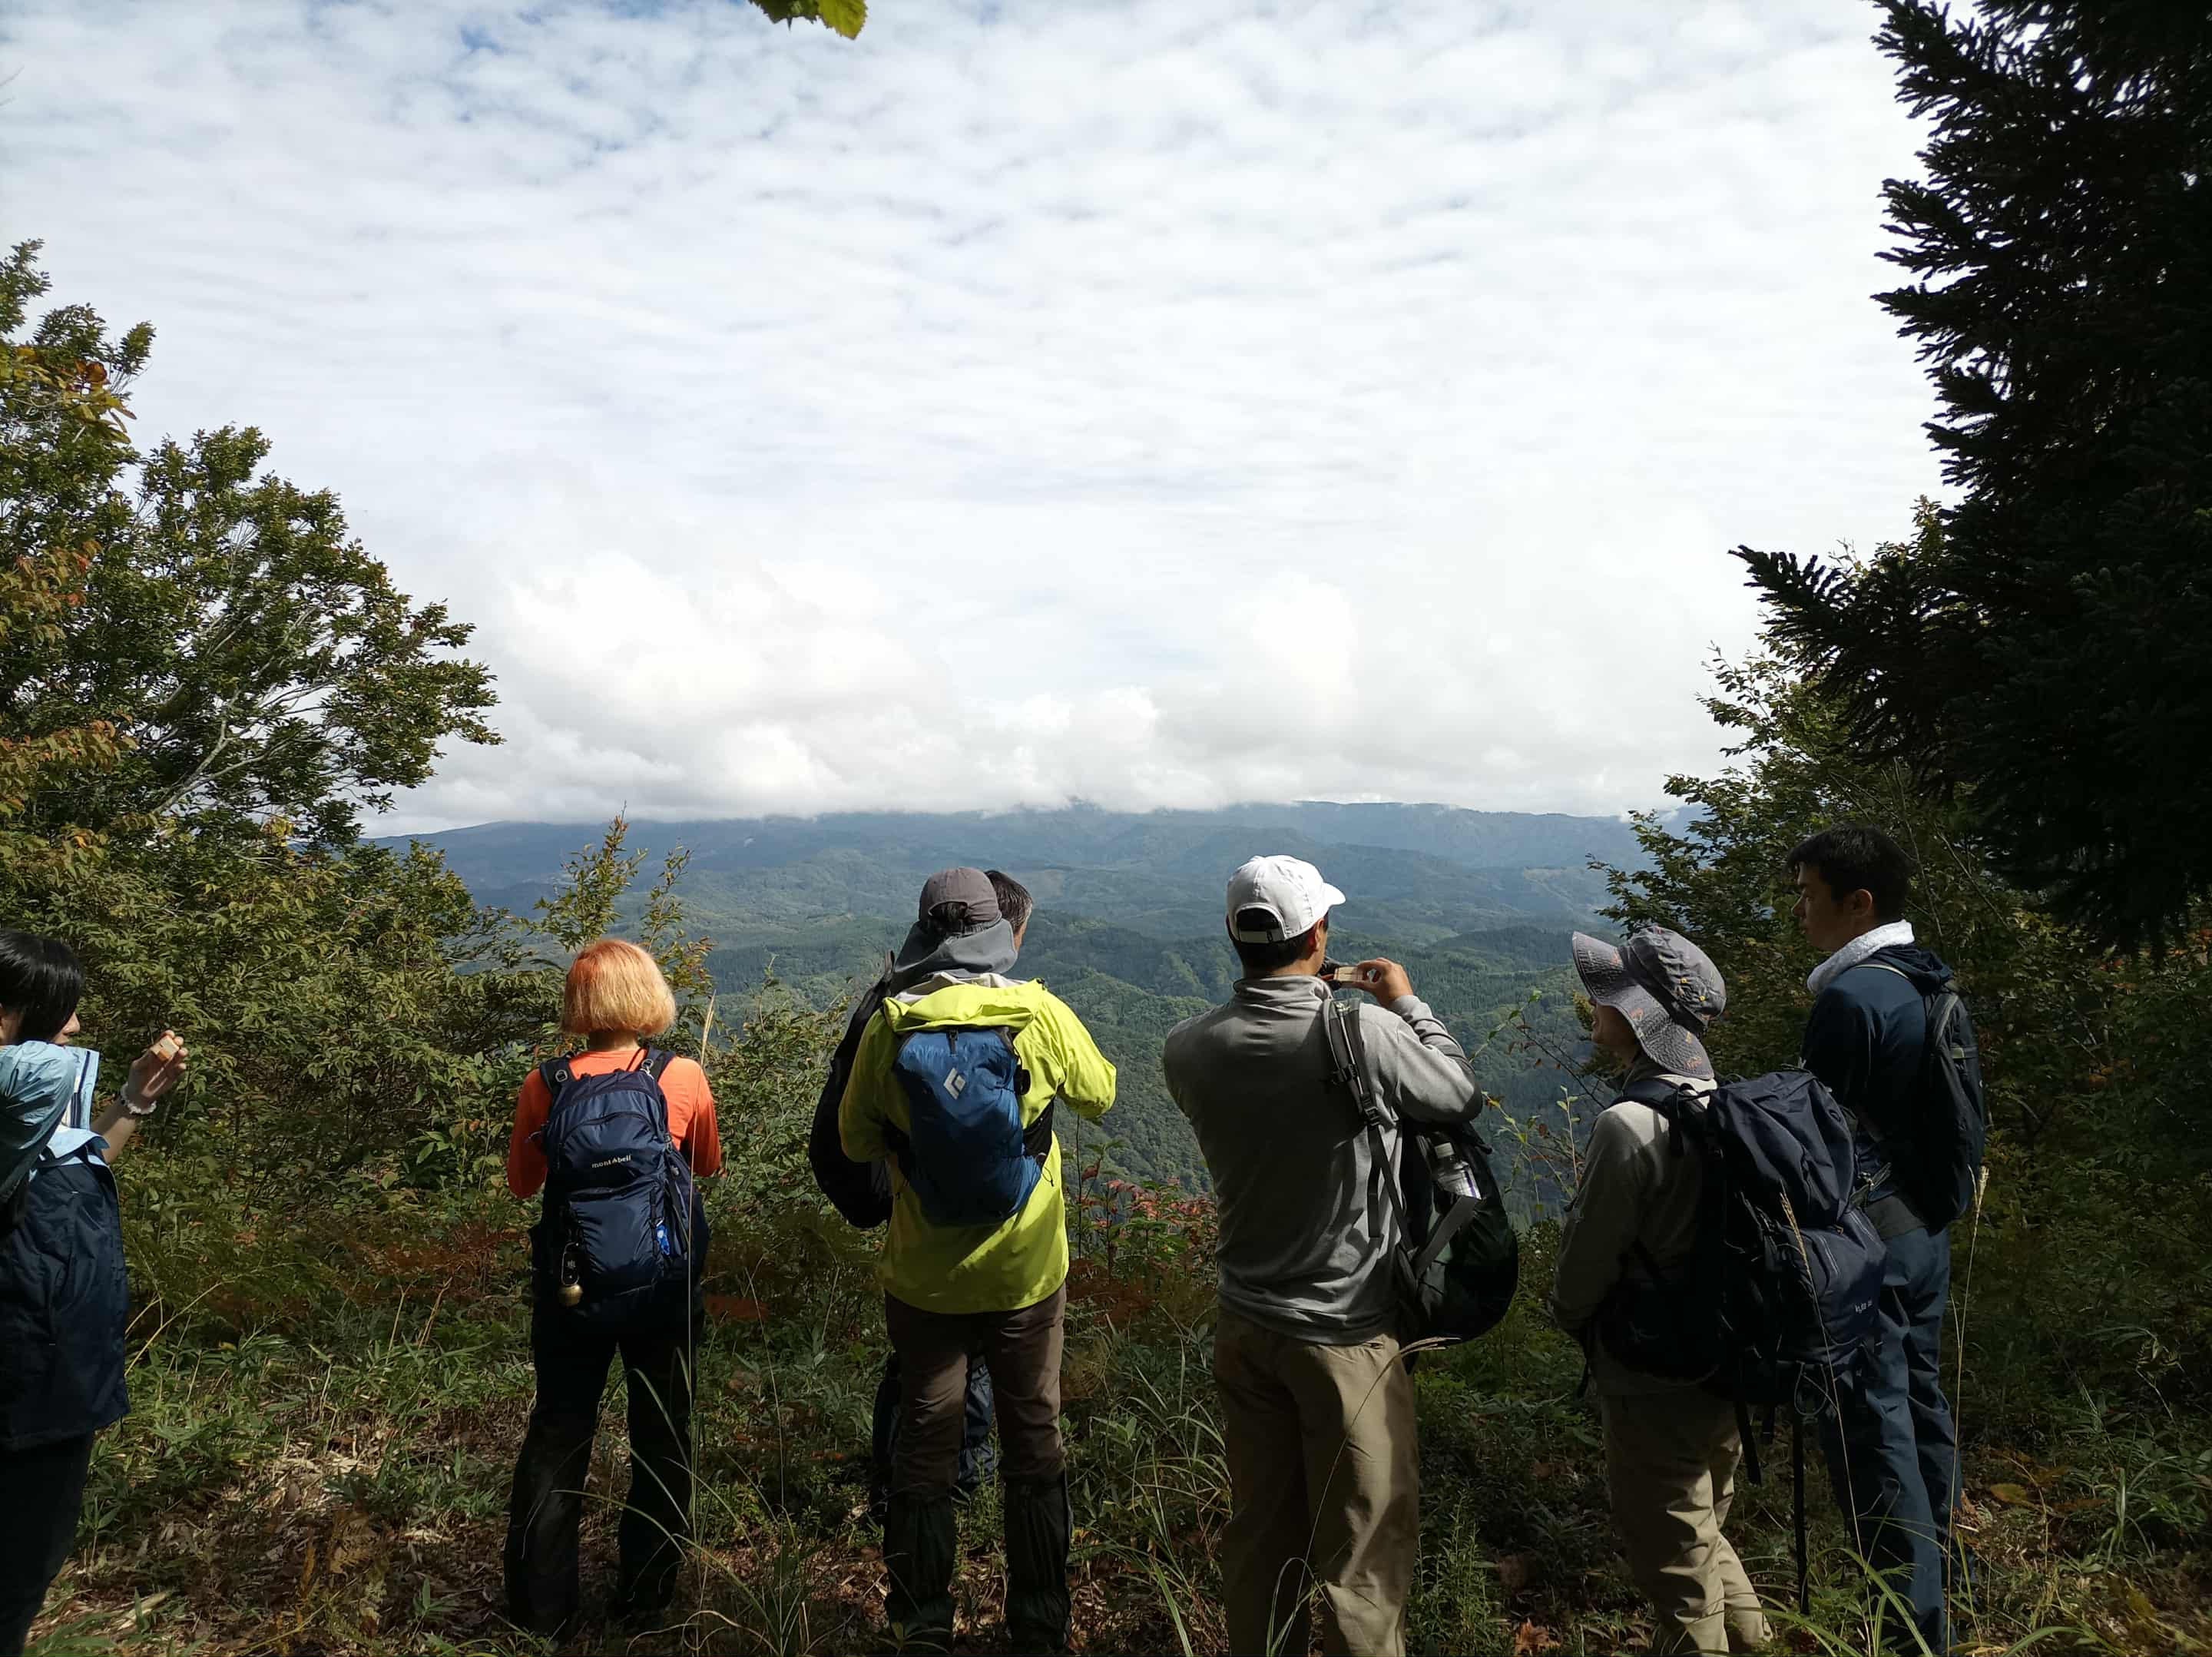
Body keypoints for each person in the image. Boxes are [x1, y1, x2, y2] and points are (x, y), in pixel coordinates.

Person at [1161, 856, 1484, 1657]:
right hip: (1347, 1337)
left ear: (1234, 938)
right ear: (1317, 934)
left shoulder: (1188, 1047)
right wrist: (1404, 1001)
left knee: (1261, 1540)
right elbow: (1458, 1094)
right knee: (1362, 1562)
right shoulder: (1364, 1033)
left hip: (1243, 1325)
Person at [839, 867, 1117, 1654]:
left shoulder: (891, 1025)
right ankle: (1038, 1624)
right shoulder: (1035, 1012)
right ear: (999, 932)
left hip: (925, 1279)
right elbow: (1101, 1094)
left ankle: (922, 1623)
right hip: (1026, 1273)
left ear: (925, 934)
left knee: (926, 1439)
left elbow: (856, 1141)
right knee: (1035, 1433)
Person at [1550, 926, 1770, 1656]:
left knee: (1675, 1562)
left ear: (1641, 1016)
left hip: (1652, 1376)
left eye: (1608, 995)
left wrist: (1571, 1317)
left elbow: (1583, 1268)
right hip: (1727, 1362)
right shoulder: (1729, 1108)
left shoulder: (1628, 1126)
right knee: (1701, 1529)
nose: (1595, 1004)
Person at [503, 938, 722, 1637]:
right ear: (648, 997)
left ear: (579, 1004)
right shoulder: (681, 1074)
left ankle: (543, 1610)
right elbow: (707, 1165)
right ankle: (647, 1598)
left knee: (559, 1433)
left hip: (572, 1290)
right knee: (663, 1435)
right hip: (663, 1289)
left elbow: (522, 1184)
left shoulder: (546, 1083)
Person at [1791, 825, 1972, 1653]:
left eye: (1809, 893)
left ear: (1856, 903)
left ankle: (1909, 1632)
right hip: (1923, 1229)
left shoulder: (1853, 1000)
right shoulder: (1920, 977)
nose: (1799, 910)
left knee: (1875, 1429)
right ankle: (1948, 1590)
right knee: (1922, 1411)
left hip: (1869, 1250)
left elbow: (1817, 1146)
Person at [0, 931, 188, 1657]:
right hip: (21, 1381)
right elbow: (42, 1077)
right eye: (62, 1012)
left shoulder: (24, 1118)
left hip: (58, 1383)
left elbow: (68, 1158)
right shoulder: (24, 1088)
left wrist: (134, 1101)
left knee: (27, 1569)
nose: (75, 1028)